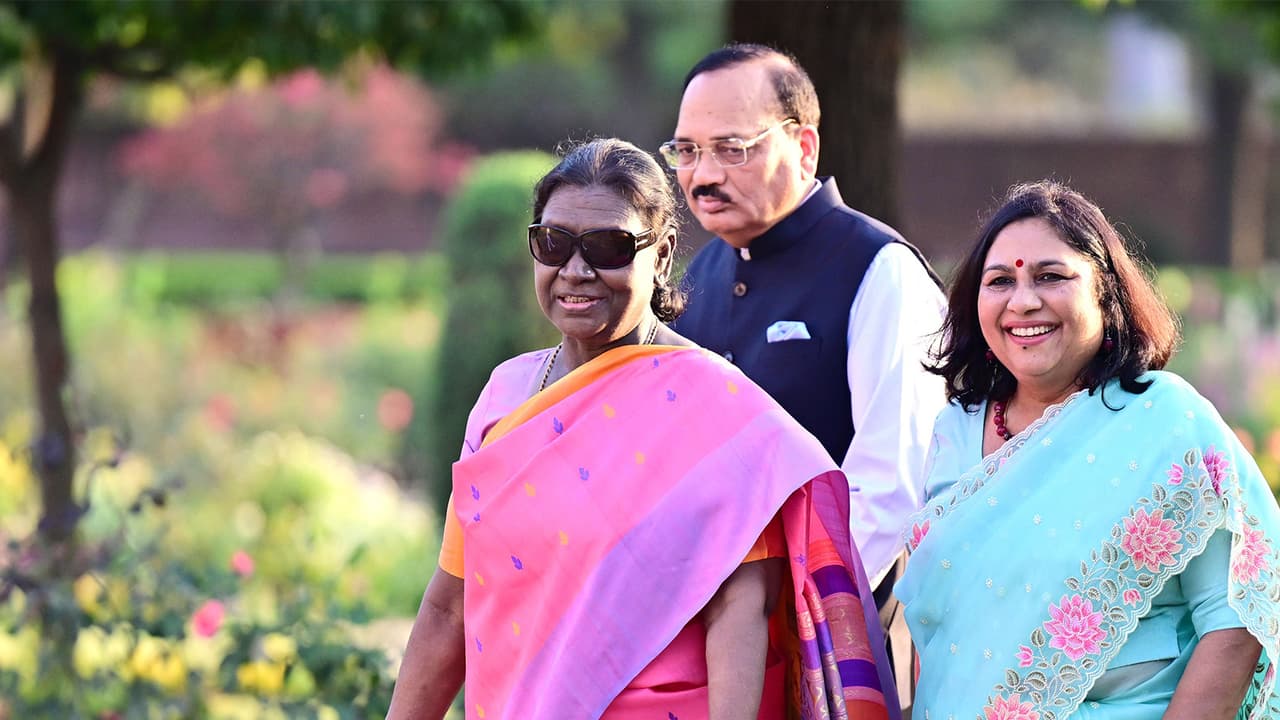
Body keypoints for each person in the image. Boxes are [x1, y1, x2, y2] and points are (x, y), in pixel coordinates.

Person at [386, 138, 898, 720]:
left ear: (662, 254)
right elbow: (449, 606)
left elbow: (741, 609)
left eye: (609, 247)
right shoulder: (504, 395)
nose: (575, 270)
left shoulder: (718, 408)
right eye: (553, 243)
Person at [895, 180, 1280, 719]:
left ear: (1105, 292)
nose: (1023, 301)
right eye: (999, 280)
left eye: (1051, 276)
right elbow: (942, 626)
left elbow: (1239, 610)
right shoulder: (954, 430)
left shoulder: (1165, 422)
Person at [662, 43, 946, 700]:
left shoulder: (879, 272)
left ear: (805, 148)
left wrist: (795, 627)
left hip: (842, 644)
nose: (703, 174)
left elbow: (892, 489)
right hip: (716, 646)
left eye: (733, 148)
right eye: (686, 151)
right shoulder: (697, 280)